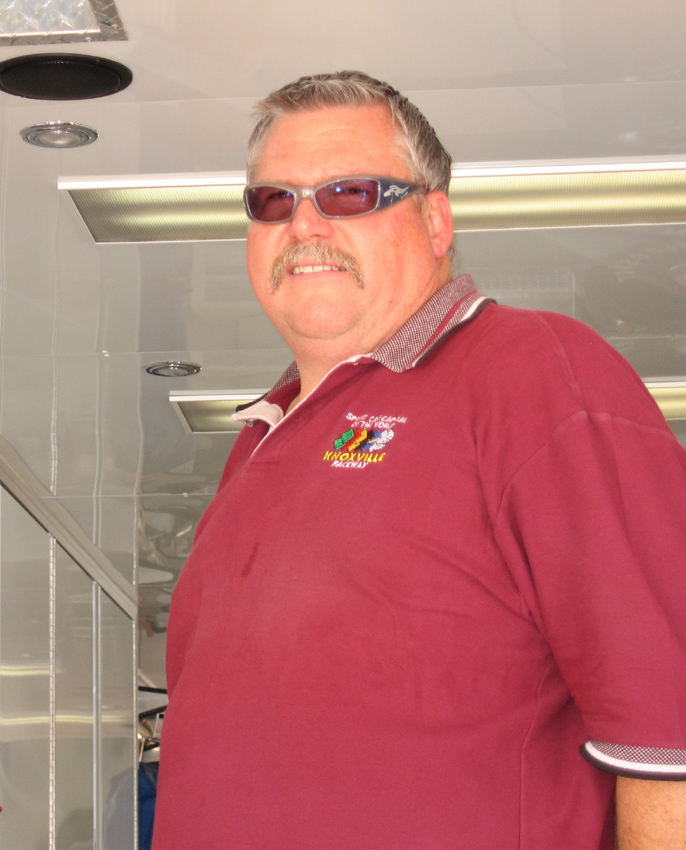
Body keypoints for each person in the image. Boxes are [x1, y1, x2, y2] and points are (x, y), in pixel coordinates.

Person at [152, 71, 686, 850]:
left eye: (350, 193)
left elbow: (669, 728)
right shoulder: (259, 441)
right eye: (273, 200)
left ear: (436, 221)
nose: (304, 224)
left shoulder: (532, 370)